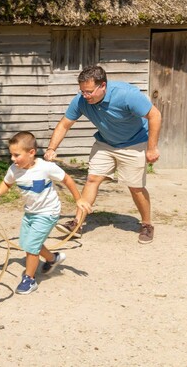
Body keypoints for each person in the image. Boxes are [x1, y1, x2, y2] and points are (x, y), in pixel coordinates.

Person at [44, 66, 161, 244]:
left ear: (103, 86)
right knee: (92, 179)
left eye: (89, 91)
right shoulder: (81, 100)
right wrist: (51, 148)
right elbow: (64, 124)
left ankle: (146, 224)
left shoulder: (126, 94)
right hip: (105, 143)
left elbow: (155, 115)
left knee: (135, 186)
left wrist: (152, 148)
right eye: (82, 91)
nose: (85, 95)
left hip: (134, 143)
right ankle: (77, 223)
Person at [0, 132, 92, 295]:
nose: (13, 159)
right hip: (31, 212)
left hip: (48, 212)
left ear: (31, 153)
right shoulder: (15, 169)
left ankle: (29, 279)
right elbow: (7, 183)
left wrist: (79, 199)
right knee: (26, 242)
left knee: (31, 247)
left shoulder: (45, 167)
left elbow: (67, 179)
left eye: (16, 155)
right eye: (11, 155)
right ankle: (52, 259)